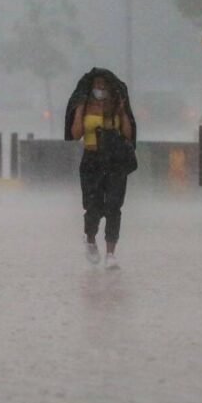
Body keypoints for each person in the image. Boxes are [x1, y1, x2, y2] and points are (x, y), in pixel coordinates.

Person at [65, 68, 137, 269]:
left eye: (104, 86)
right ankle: (90, 238)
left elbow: (128, 134)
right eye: (97, 85)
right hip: (92, 161)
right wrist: (79, 110)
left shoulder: (116, 107)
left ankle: (111, 253)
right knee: (93, 206)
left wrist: (122, 112)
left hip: (115, 162)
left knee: (114, 206)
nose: (101, 89)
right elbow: (76, 133)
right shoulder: (85, 106)